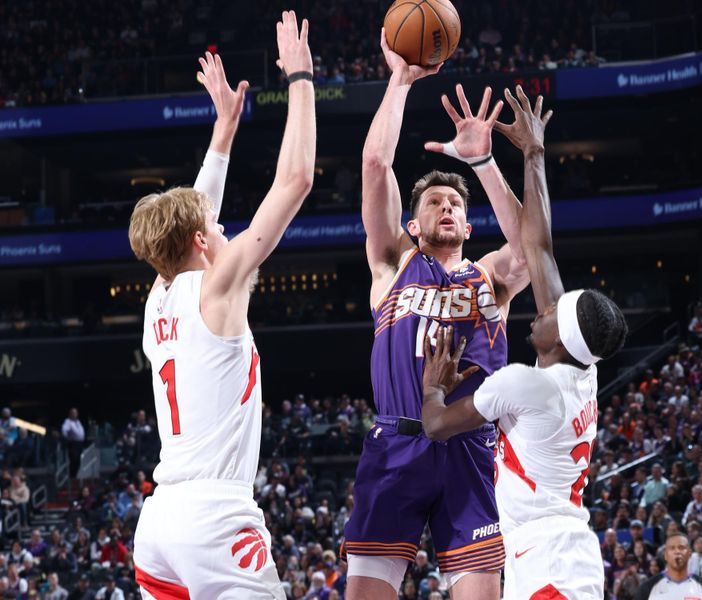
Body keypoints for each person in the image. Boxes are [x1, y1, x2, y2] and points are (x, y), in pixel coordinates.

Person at [129, 11, 315, 599]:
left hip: (158, 524)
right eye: (215, 226)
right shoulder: (217, 287)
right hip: (214, 515)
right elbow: (296, 182)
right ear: (199, 243)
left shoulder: (158, 298)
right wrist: (302, 79)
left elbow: (194, 213)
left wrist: (224, 131)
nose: (223, 225)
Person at [343, 31, 531, 600]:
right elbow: (375, 164)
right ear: (413, 225)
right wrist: (400, 81)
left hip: (469, 447)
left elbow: (531, 251)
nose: (446, 206)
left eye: (455, 203)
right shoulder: (391, 267)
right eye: (433, 203)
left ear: (470, 227)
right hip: (395, 443)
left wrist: (484, 162)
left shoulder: (490, 275)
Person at [420, 88, 628, 598]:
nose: (543, 308)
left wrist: (431, 387)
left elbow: (437, 424)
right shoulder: (577, 362)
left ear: (560, 338)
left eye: (552, 312)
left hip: (548, 563)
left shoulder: (524, 385)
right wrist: (529, 155)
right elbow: (538, 248)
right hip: (558, 548)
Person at [636, 533, 702, 600]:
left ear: (690, 553)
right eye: (672, 548)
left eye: (681, 547)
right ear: (665, 555)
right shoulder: (647, 588)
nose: (677, 552)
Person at [61, 408, 85, 479]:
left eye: (76, 413)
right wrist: (66, 437)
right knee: (74, 459)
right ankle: (72, 475)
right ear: (70, 414)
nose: (75, 414)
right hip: (73, 443)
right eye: (73, 413)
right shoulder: (68, 421)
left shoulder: (78, 422)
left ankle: (75, 475)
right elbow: (64, 430)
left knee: (78, 460)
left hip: (79, 443)